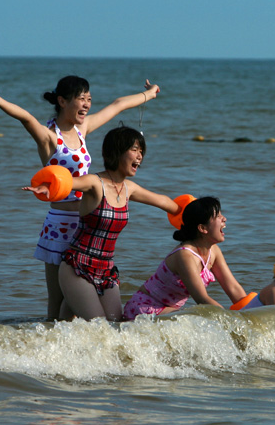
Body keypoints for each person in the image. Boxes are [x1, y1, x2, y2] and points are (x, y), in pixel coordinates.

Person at [0, 77, 160, 319]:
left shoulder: (82, 129)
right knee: (57, 307)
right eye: (81, 98)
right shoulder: (49, 137)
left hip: (86, 225)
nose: (87, 104)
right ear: (62, 101)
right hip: (60, 225)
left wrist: (149, 95)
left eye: (89, 98)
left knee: (78, 305)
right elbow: (25, 117)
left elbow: (117, 105)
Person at [24, 125, 182, 322]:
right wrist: (47, 187)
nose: (140, 156)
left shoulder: (129, 188)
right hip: (77, 267)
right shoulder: (94, 183)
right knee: (101, 327)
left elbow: (164, 201)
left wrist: (189, 211)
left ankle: (61, 324)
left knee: (115, 324)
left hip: (106, 271)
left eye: (141, 151)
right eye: (134, 149)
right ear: (116, 152)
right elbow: (68, 183)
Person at [122, 197, 248, 319]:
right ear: (202, 228)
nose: (224, 219)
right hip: (145, 309)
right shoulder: (185, 256)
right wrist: (230, 320)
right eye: (218, 216)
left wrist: (251, 313)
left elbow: (233, 288)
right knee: (196, 316)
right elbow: (202, 299)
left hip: (169, 310)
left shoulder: (213, 250)